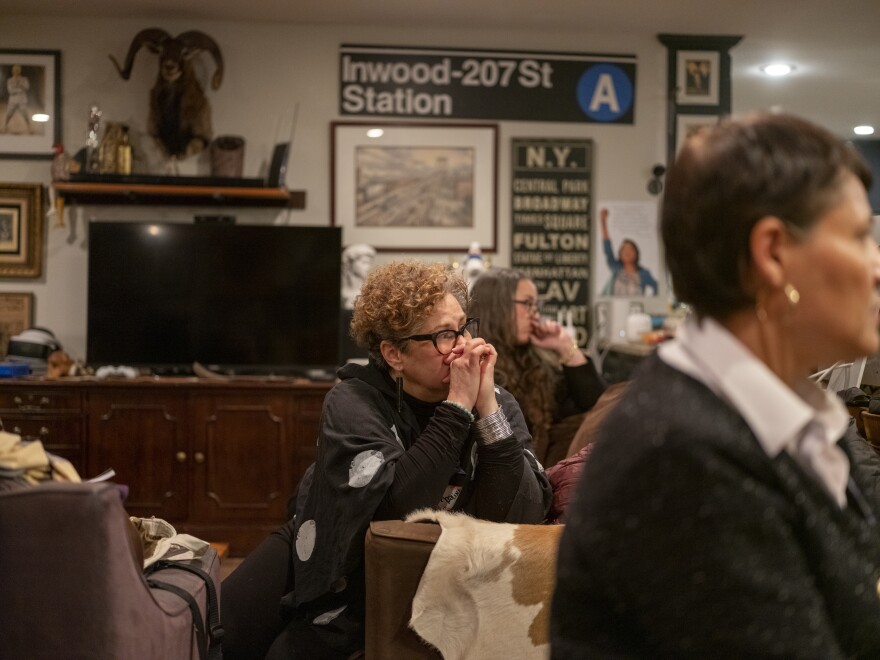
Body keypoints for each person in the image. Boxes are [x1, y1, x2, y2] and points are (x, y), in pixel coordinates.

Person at [551, 112, 880, 657]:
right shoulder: (682, 456)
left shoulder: (789, 408)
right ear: (773, 253)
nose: (876, 266)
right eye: (860, 235)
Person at [222, 260, 552, 659]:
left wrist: (484, 409)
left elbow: (523, 514)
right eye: (445, 336)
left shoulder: (496, 403)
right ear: (394, 353)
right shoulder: (352, 400)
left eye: (464, 326)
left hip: (428, 568)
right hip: (332, 533)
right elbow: (394, 507)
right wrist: (459, 406)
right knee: (223, 630)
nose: (465, 344)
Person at [469, 268, 606, 467]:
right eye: (527, 304)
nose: (535, 314)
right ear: (498, 307)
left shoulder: (535, 360)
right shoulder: (476, 363)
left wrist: (566, 348)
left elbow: (596, 406)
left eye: (536, 305)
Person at [599, 206, 659, 296]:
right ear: (620, 254)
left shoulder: (644, 274)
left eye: (630, 249)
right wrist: (603, 222)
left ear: (636, 253)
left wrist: (650, 303)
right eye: (624, 249)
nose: (627, 252)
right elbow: (607, 248)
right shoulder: (615, 267)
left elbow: (657, 287)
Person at [340, 243, 376, 309]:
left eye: (369, 263)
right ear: (351, 263)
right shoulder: (342, 292)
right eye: (364, 262)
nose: (368, 267)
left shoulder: (371, 291)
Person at [3, 65, 31, 134]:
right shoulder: (10, 80)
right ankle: (5, 126)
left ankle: (29, 127)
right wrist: (20, 90)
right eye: (14, 70)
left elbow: (27, 87)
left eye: (17, 70)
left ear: (19, 71)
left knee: (25, 114)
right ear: (12, 71)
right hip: (13, 100)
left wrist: (21, 85)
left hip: (22, 100)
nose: (15, 72)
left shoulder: (24, 79)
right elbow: (10, 91)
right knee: (8, 114)